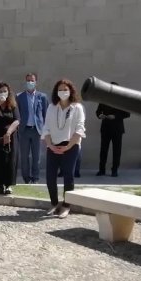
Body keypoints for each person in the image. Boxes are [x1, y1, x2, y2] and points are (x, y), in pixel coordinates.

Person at [41, 78, 86, 219]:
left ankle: (66, 206)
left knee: (68, 175)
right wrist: (50, 145)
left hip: (71, 145)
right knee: (50, 177)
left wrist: (68, 146)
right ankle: (54, 203)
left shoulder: (77, 107)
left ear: (71, 91)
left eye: (65, 89)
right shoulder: (51, 107)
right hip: (53, 145)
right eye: (60, 89)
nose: (63, 92)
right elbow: (46, 128)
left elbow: (80, 128)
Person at [16, 73, 48, 184]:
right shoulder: (19, 97)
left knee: (36, 156)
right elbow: (17, 113)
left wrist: (45, 130)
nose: (30, 82)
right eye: (28, 80)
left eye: (32, 80)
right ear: (25, 82)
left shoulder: (42, 96)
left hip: (37, 130)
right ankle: (26, 178)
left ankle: (35, 178)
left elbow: (45, 114)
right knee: (24, 156)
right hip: (24, 130)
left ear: (36, 82)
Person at [96, 82, 131, 177]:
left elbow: (127, 114)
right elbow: (98, 112)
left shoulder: (121, 100)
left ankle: (114, 170)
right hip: (105, 128)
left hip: (117, 129)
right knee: (103, 150)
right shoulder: (104, 99)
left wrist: (115, 116)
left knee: (116, 151)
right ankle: (101, 169)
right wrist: (100, 115)